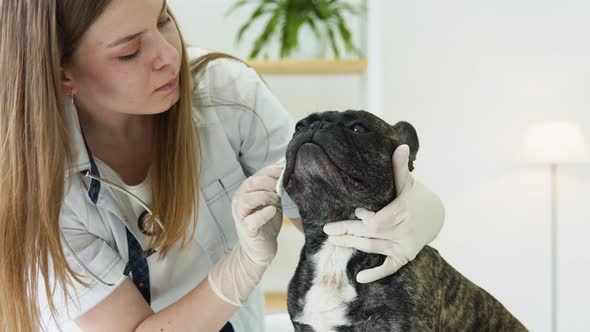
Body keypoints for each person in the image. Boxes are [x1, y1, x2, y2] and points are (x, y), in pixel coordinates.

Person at [0, 0, 445, 331]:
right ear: (63, 74)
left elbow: (315, 209)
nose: (168, 55)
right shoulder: (37, 188)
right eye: (129, 51)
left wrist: (415, 211)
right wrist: (242, 267)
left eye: (162, 19)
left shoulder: (225, 94)